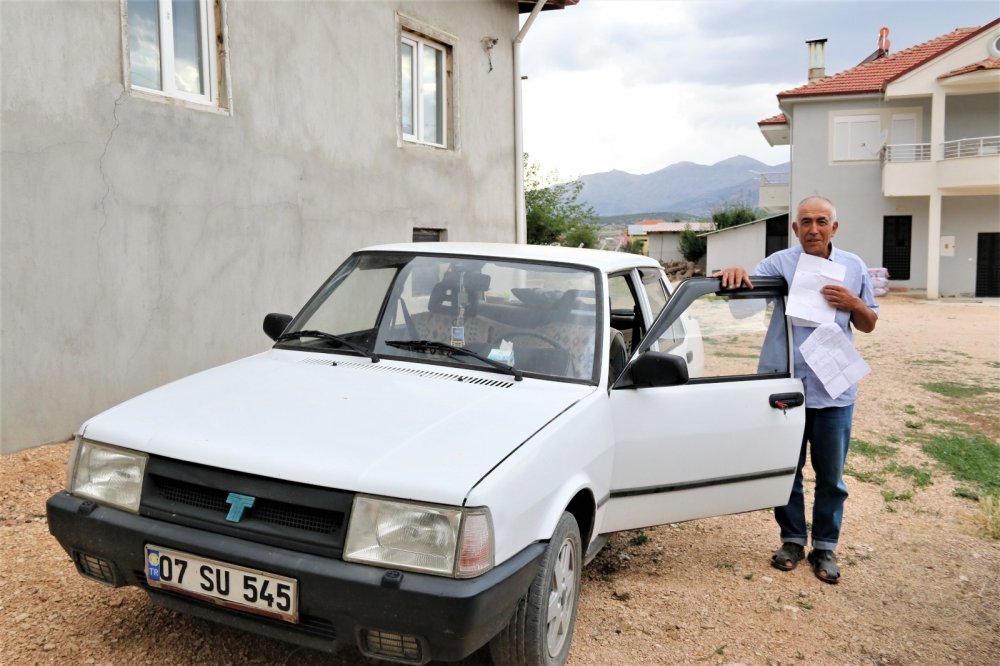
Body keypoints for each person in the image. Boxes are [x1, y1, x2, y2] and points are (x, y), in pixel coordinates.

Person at [715, 195, 878, 584]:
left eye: (822, 221)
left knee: (831, 475)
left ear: (834, 228)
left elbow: (870, 322)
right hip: (785, 383)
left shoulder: (853, 267)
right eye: (805, 221)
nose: (814, 228)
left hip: (833, 388)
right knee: (788, 468)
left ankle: (825, 546)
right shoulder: (778, 264)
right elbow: (744, 303)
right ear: (795, 228)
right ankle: (791, 539)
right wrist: (735, 272)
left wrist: (854, 302)